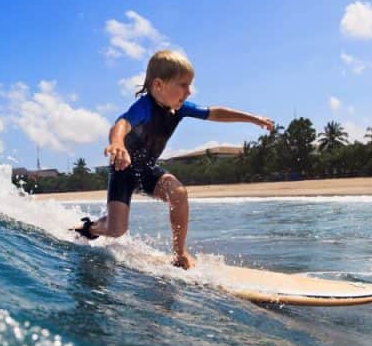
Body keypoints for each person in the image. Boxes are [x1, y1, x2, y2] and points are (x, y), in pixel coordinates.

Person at [75, 49, 274, 269]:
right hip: (124, 171)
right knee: (117, 230)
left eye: (190, 85)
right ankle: (90, 228)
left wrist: (253, 119)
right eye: (183, 85)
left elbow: (215, 112)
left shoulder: (178, 109)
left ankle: (179, 254)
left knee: (178, 193)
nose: (189, 92)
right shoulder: (144, 107)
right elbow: (122, 123)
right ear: (158, 85)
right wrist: (118, 143)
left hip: (148, 170)